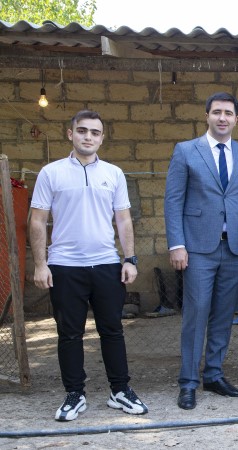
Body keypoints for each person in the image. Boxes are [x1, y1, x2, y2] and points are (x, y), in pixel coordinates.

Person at [28, 110, 148, 421]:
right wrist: (41, 264)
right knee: (69, 334)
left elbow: (123, 219)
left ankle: (119, 390)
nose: (88, 137)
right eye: (82, 131)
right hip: (64, 266)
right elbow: (37, 220)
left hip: (106, 264)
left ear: (102, 138)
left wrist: (129, 258)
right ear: (70, 134)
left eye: (95, 132)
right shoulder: (51, 173)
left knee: (112, 330)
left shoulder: (113, 173)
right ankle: (74, 394)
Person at [164, 92, 238, 410]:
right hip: (197, 249)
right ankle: (188, 382)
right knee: (196, 314)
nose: (222, 118)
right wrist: (177, 244)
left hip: (234, 248)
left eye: (228, 113)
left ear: (236, 119)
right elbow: (173, 201)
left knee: (224, 315)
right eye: (217, 112)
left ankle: (214, 374)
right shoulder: (185, 151)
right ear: (206, 115)